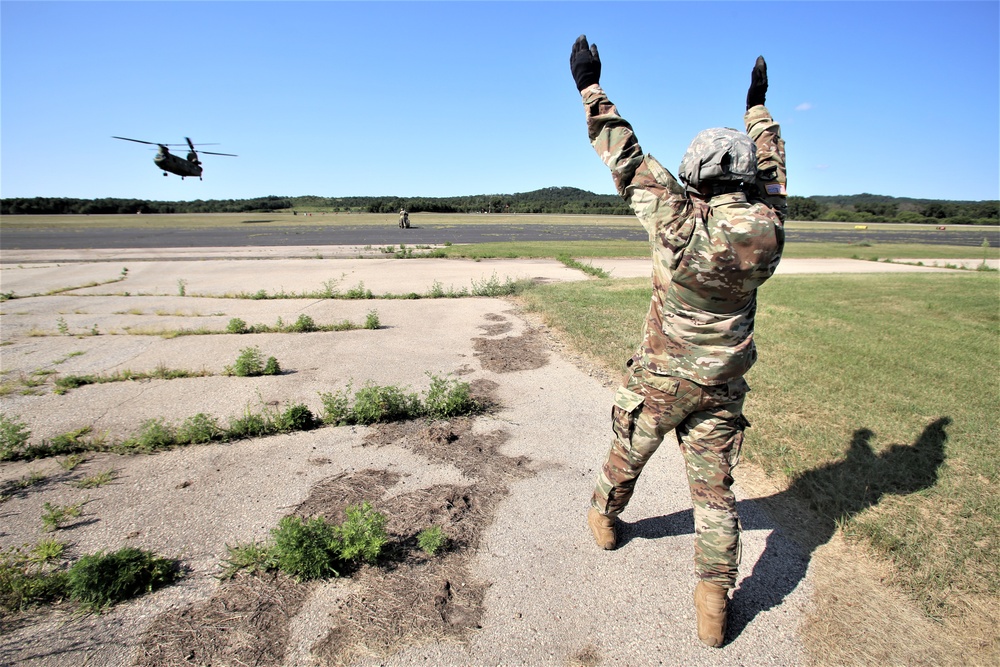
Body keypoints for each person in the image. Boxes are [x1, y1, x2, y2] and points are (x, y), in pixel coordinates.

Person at [570, 35, 787, 648]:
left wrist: (590, 84)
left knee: (629, 450)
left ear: (697, 177)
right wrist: (759, 110)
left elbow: (625, 155)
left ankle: (605, 519)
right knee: (715, 492)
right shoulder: (769, 225)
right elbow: (771, 170)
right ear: (745, 175)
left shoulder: (678, 217)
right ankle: (714, 602)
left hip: (662, 376)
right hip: (721, 382)